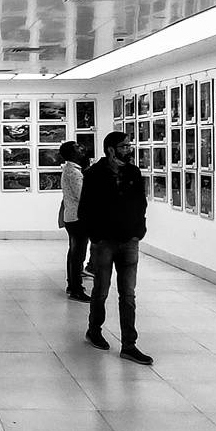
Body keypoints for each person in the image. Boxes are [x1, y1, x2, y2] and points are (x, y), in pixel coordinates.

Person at [76, 131, 153, 365]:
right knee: (101, 289)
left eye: (129, 145)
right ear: (111, 149)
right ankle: (94, 330)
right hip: (104, 242)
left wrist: (139, 231)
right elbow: (85, 208)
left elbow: (141, 203)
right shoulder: (94, 174)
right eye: (124, 146)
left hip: (129, 240)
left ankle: (129, 344)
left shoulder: (133, 172)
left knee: (128, 294)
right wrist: (96, 236)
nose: (129, 149)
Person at [58, 141, 91, 303]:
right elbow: (82, 195)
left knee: (74, 252)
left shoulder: (71, 169)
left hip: (72, 216)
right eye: (78, 147)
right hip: (78, 218)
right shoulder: (73, 172)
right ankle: (76, 289)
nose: (82, 148)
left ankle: (72, 285)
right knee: (78, 254)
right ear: (71, 153)